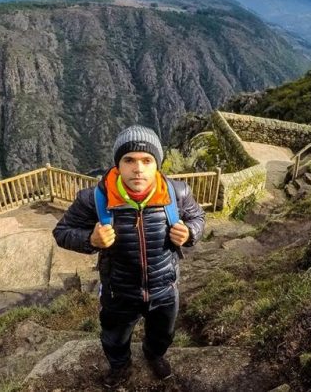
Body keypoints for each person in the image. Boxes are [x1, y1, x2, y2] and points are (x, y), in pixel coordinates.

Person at [52, 125, 206, 388]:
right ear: (118, 165)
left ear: (157, 164)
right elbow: (62, 231)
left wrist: (190, 232)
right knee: (114, 338)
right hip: (119, 292)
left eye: (147, 161)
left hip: (164, 289)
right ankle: (120, 367)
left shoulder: (176, 194)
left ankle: (154, 355)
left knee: (162, 334)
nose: (138, 168)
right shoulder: (94, 199)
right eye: (129, 160)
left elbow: (198, 217)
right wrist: (90, 240)